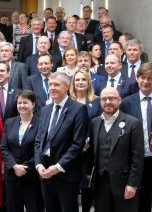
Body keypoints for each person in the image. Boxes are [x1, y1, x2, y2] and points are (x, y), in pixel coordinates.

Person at [34, 71, 89, 212]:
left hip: (66, 173)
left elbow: (77, 144)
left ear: (66, 87)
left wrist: (58, 167)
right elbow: (38, 141)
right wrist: (38, 164)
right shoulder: (46, 109)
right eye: (50, 84)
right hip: (45, 172)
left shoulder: (78, 109)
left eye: (56, 85)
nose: (52, 87)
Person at [90, 87, 144, 212]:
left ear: (119, 100)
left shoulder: (133, 123)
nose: (108, 101)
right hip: (100, 183)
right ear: (100, 101)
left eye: (112, 98)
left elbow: (137, 158)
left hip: (124, 184)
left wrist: (132, 184)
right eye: (104, 99)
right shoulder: (95, 122)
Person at [0, 90, 43, 212]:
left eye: (25, 102)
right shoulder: (9, 122)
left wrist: (26, 167)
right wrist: (14, 165)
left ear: (33, 104)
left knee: (34, 207)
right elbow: (3, 147)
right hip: (12, 175)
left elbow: (39, 148)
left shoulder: (41, 123)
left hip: (32, 175)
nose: (22, 106)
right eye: (19, 103)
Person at [69, 69, 103, 212]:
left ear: (89, 82)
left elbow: (100, 123)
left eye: (83, 79)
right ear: (73, 83)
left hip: (90, 151)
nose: (80, 82)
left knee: (88, 186)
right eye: (77, 80)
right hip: (70, 150)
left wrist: (87, 142)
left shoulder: (96, 101)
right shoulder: (67, 101)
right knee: (71, 186)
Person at [121, 62, 152, 212]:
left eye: (150, 78)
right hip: (135, 159)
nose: (146, 82)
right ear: (137, 79)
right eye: (143, 78)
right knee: (138, 199)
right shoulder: (126, 103)